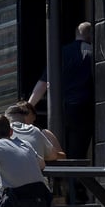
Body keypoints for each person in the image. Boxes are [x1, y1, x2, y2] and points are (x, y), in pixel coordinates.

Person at [28, 21, 94, 162]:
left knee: (60, 149)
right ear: (91, 35)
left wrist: (28, 106)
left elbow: (43, 83)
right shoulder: (92, 52)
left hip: (61, 109)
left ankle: (64, 181)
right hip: (84, 107)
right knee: (78, 150)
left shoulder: (60, 53)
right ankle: (76, 182)